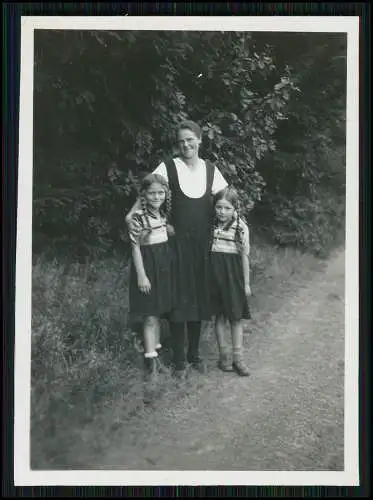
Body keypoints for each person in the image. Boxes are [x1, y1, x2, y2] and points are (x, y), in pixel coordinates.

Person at [126, 120, 228, 378]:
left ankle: (194, 354)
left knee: (198, 300)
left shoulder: (211, 170)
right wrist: (131, 216)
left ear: (200, 140)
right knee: (180, 301)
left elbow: (226, 201)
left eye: (190, 140)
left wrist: (232, 231)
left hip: (202, 246)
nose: (186, 145)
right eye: (181, 141)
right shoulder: (168, 167)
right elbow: (149, 190)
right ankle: (180, 360)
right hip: (175, 247)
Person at [128, 173, 175, 386]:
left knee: (157, 314)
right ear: (144, 195)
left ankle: (155, 356)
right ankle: (151, 366)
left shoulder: (161, 213)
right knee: (149, 316)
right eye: (152, 193)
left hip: (163, 268)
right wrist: (142, 276)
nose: (157, 197)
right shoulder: (138, 217)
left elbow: (163, 236)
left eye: (160, 193)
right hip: (147, 269)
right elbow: (135, 247)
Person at [209, 186, 252, 377]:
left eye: (227, 208)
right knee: (219, 317)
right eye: (219, 207)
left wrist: (247, 283)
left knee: (235, 317)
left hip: (233, 277)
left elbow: (244, 257)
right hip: (215, 276)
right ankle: (223, 355)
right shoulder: (211, 226)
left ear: (235, 209)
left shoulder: (241, 228)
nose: (222, 212)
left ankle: (238, 358)